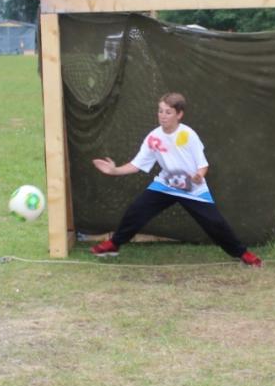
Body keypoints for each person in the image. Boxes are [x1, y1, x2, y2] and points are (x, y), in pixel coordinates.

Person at [90, 93, 263, 268]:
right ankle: (114, 244)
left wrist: (199, 175)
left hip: (192, 188)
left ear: (179, 114)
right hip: (166, 184)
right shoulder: (153, 137)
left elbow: (203, 165)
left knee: (215, 223)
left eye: (168, 112)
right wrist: (114, 170)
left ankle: (243, 254)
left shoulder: (189, 135)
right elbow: (136, 165)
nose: (162, 116)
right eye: (160, 111)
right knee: (137, 210)